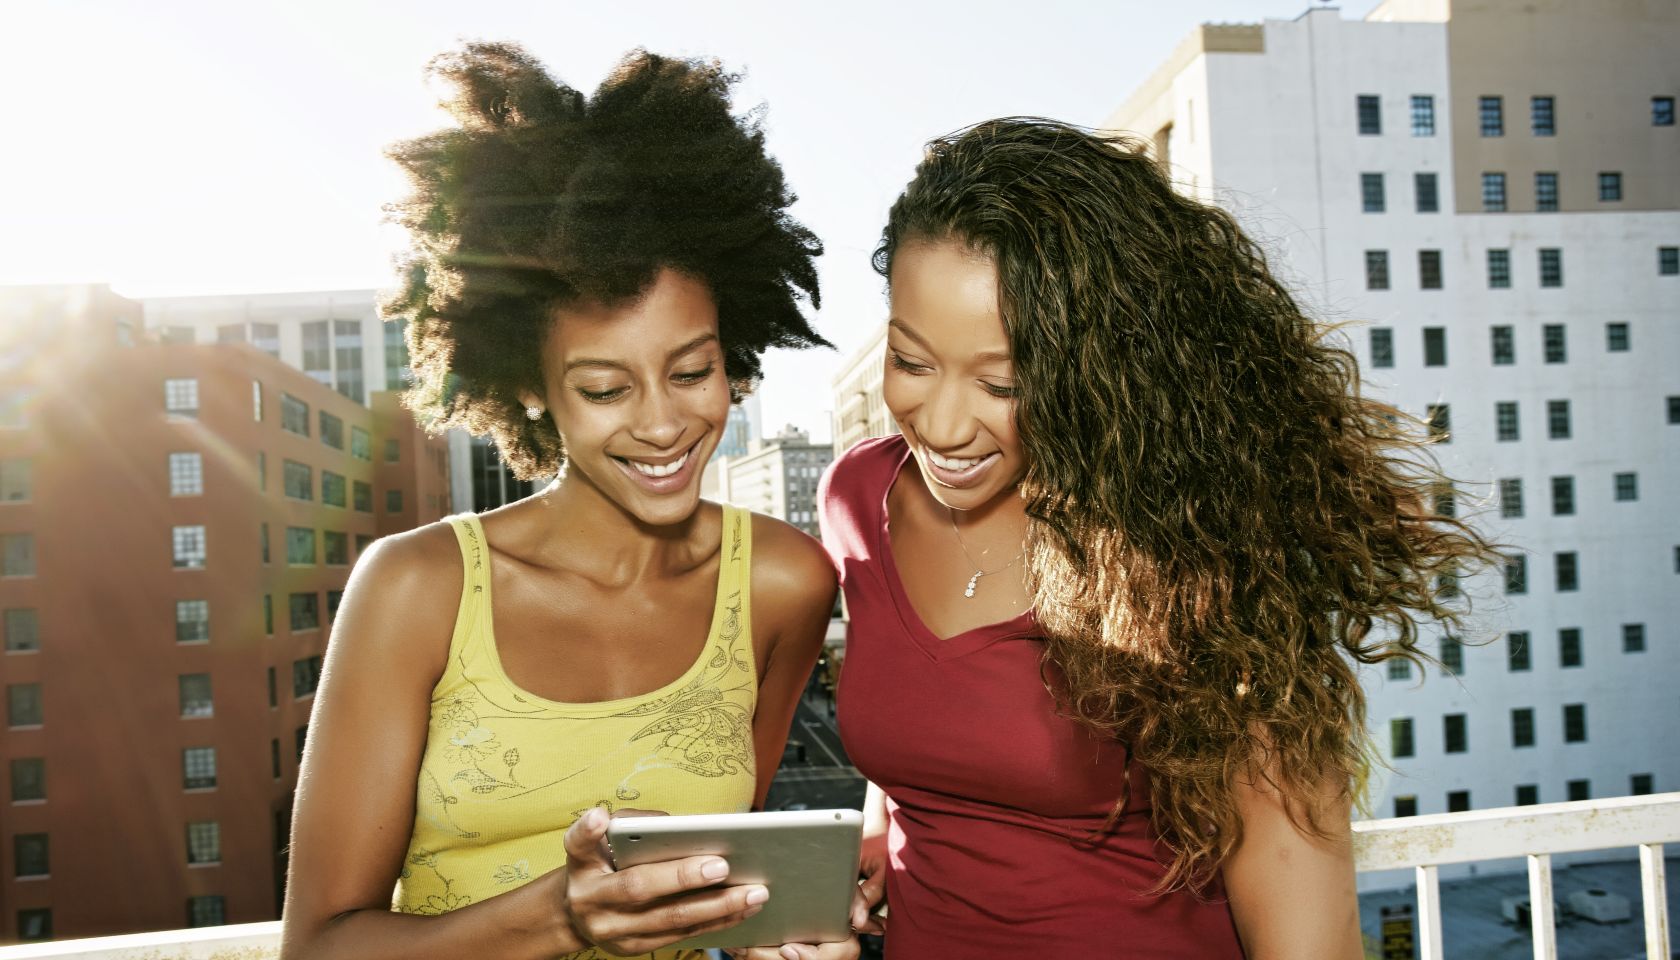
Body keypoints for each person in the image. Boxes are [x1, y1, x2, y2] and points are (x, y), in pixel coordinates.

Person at [822, 119, 1493, 959]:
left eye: (1004, 382)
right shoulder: (857, 494)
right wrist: (887, 834)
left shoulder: (1191, 550)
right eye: (912, 363)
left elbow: (1300, 911)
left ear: (1101, 369)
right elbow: (927, 726)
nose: (945, 425)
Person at [280, 43, 851, 960]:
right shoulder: (417, 588)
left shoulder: (784, 583)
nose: (664, 424)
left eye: (692, 371)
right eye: (604, 388)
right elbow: (320, 949)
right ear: (533, 385)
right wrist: (562, 915)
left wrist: (762, 934)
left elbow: (711, 875)